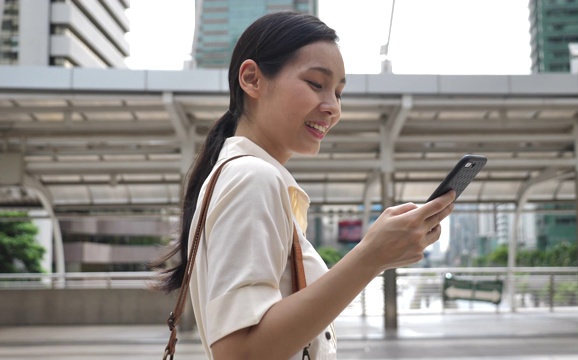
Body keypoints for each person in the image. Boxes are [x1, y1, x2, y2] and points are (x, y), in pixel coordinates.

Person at [155, 11, 455, 360]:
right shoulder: (253, 177)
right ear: (252, 79)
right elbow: (240, 353)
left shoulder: (239, 174)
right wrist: (370, 256)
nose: (332, 108)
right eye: (316, 84)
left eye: (339, 93)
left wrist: (379, 256)